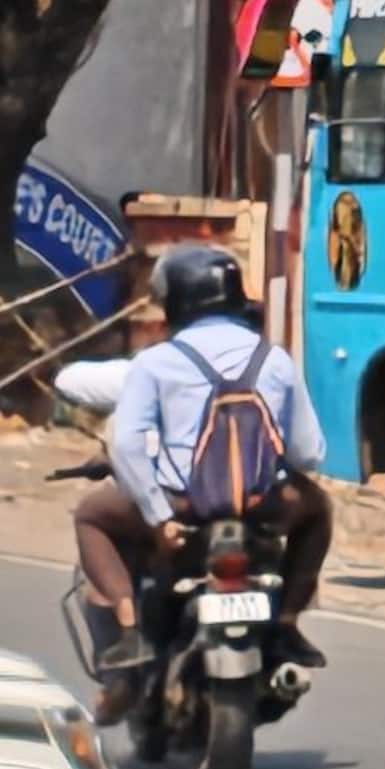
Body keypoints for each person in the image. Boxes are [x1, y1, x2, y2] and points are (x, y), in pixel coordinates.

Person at [75, 244, 333, 723]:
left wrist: (159, 516)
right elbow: (309, 453)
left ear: (177, 301)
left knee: (90, 514)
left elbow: (128, 446)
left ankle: (130, 632)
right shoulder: (273, 359)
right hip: (261, 507)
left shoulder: (156, 362)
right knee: (318, 508)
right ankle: (289, 621)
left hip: (183, 508)